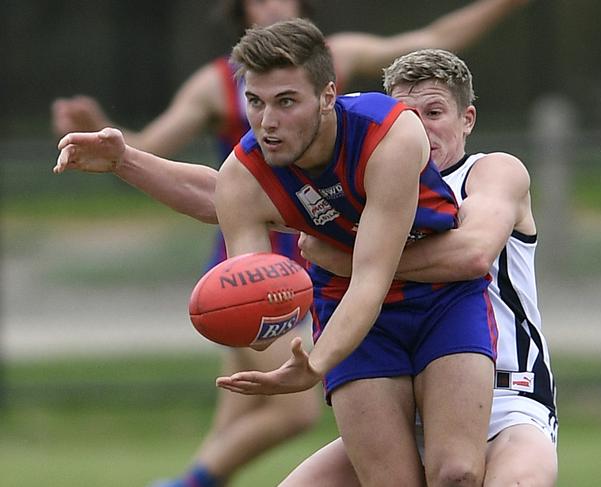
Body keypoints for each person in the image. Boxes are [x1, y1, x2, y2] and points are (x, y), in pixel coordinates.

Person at [51, 1, 531, 486]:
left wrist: (315, 365)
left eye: (285, 101)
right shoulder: (244, 173)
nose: (267, 121)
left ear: (327, 95)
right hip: (350, 309)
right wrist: (127, 161)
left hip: (440, 302)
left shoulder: (388, 132)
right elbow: (238, 246)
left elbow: (371, 274)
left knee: (456, 473)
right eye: (255, 103)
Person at [278, 48, 558, 487]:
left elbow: (471, 255)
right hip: (404, 400)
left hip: (508, 397)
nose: (422, 127)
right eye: (408, 115)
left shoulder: (490, 172)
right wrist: (133, 164)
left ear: (467, 119)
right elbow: (237, 190)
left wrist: (352, 262)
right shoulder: (368, 188)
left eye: (435, 111)